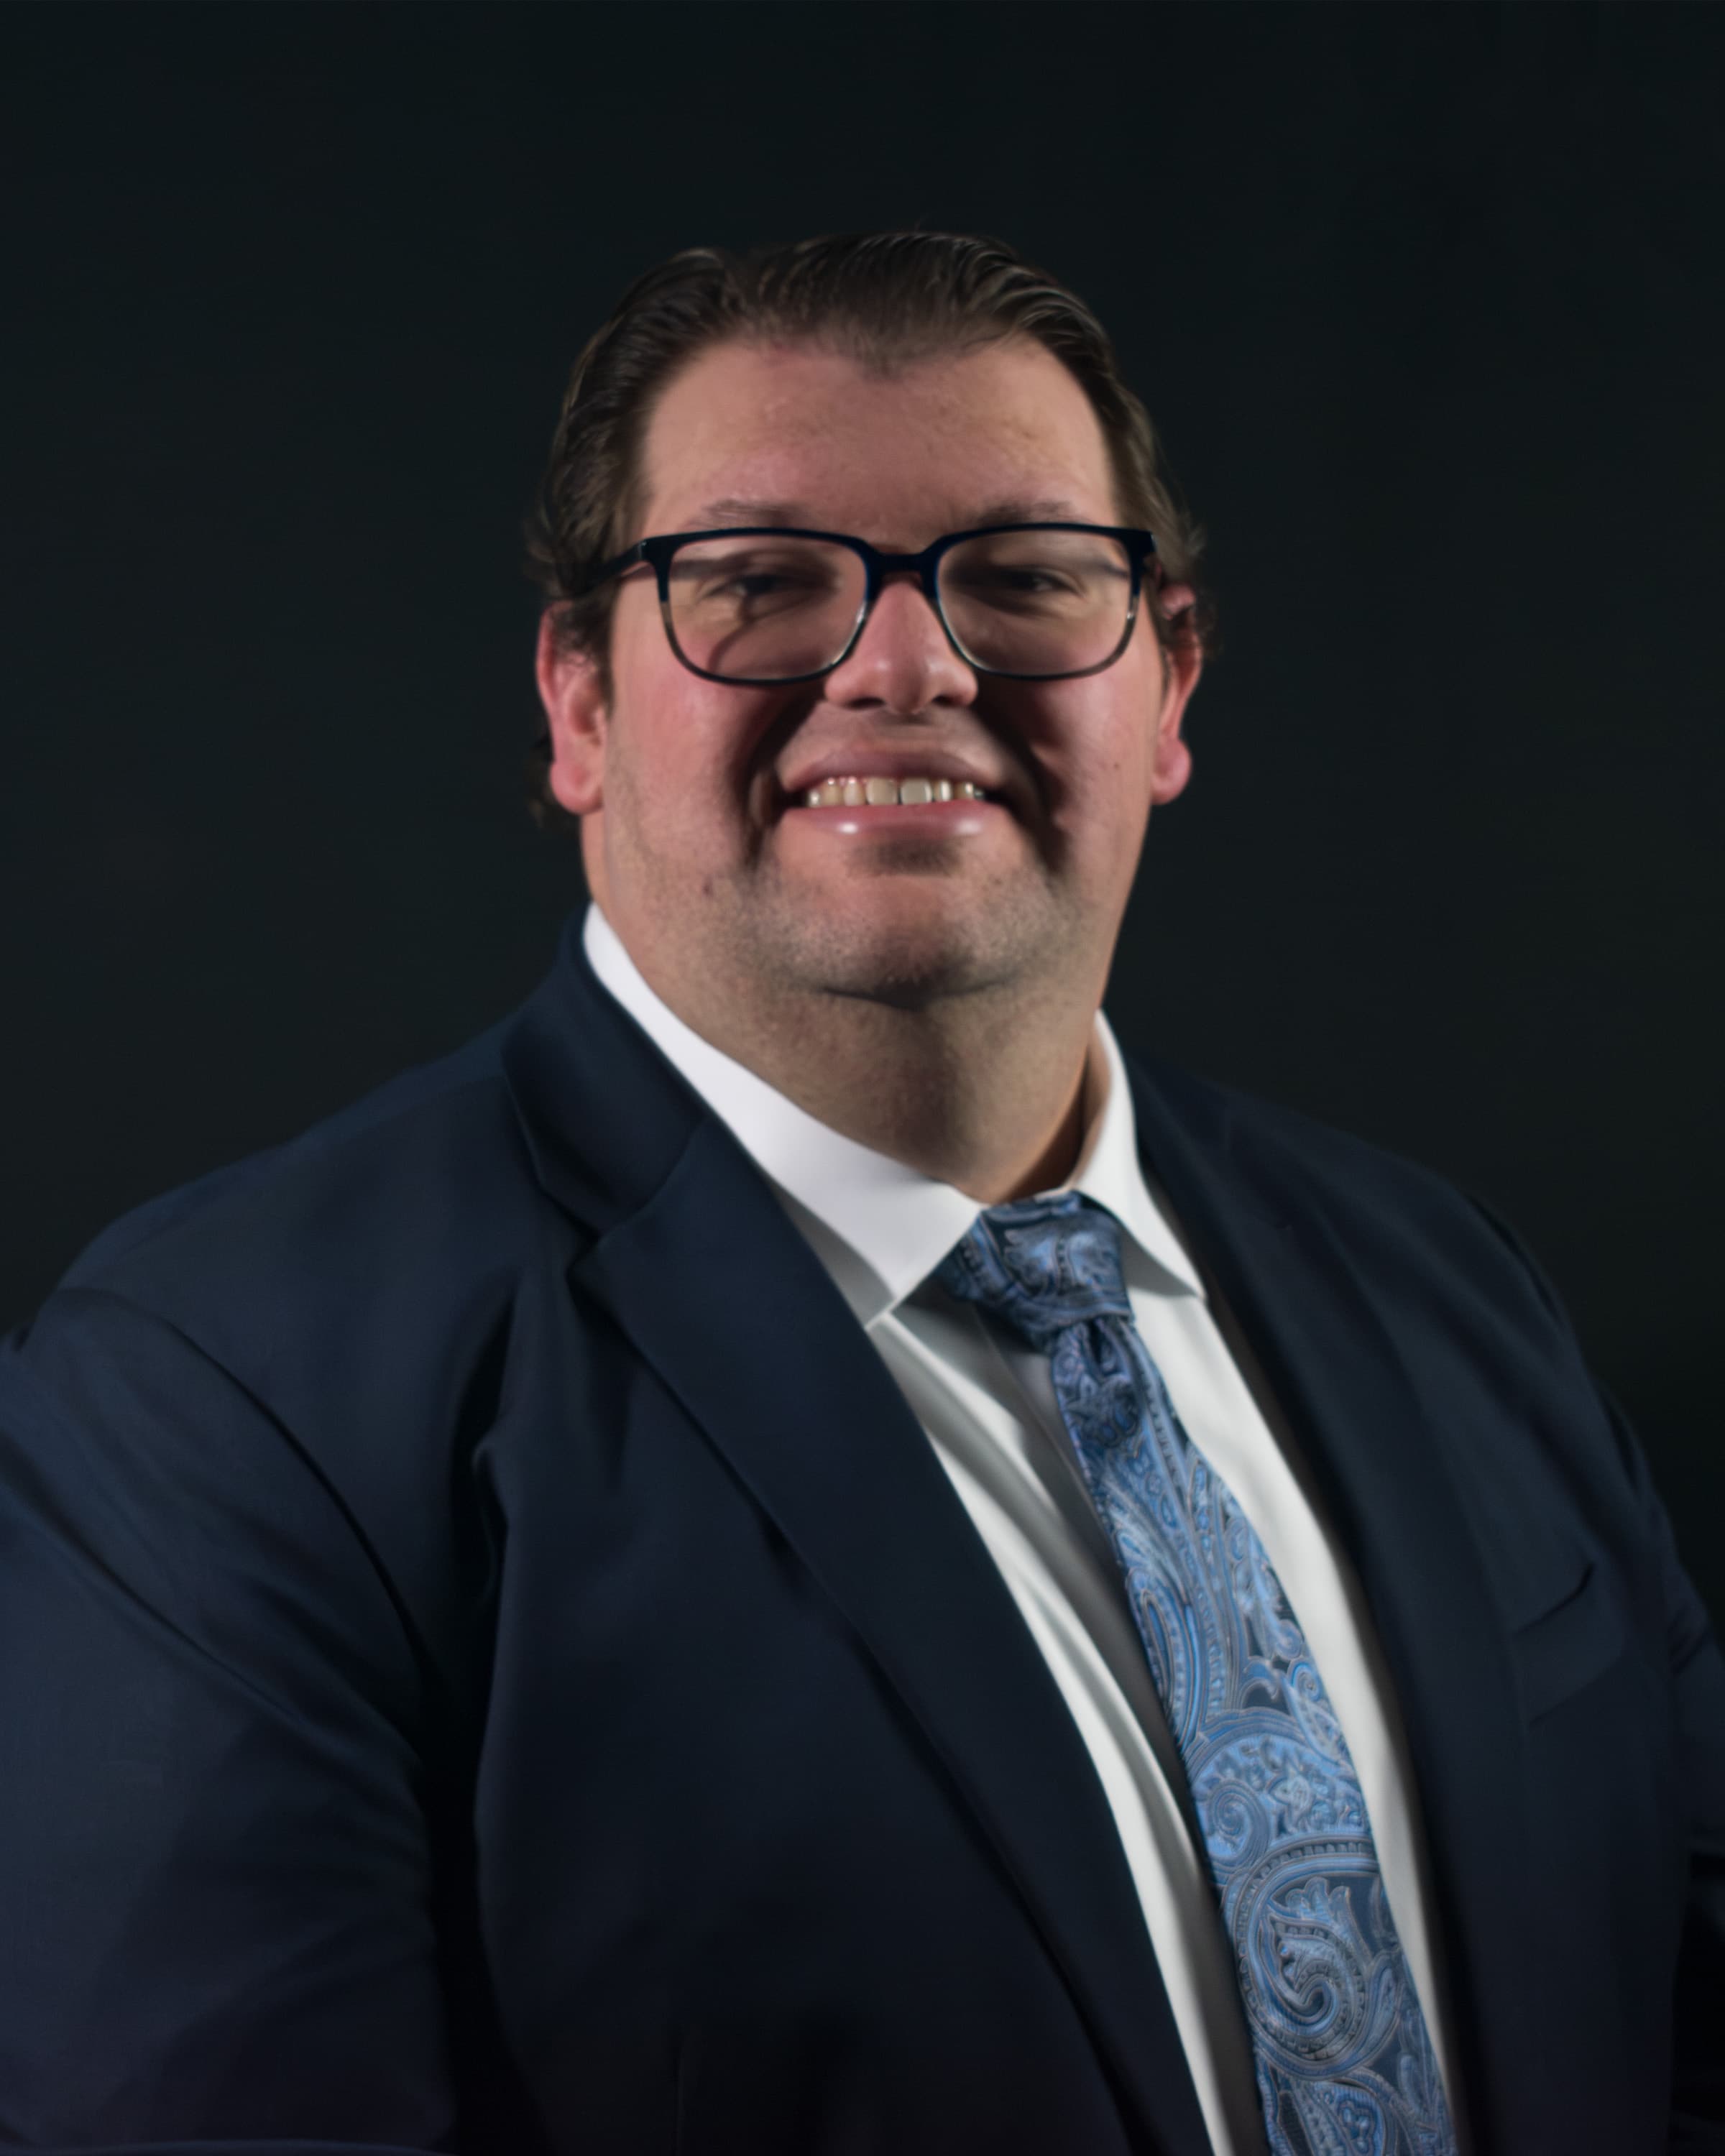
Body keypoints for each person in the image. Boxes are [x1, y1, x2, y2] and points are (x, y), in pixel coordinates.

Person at [0, 231, 1719, 2156]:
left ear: (1167, 689)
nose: (909, 664)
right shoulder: (223, 1398)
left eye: (1032, 579)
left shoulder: (1441, 1279)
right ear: (577, 706)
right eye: (757, 585)